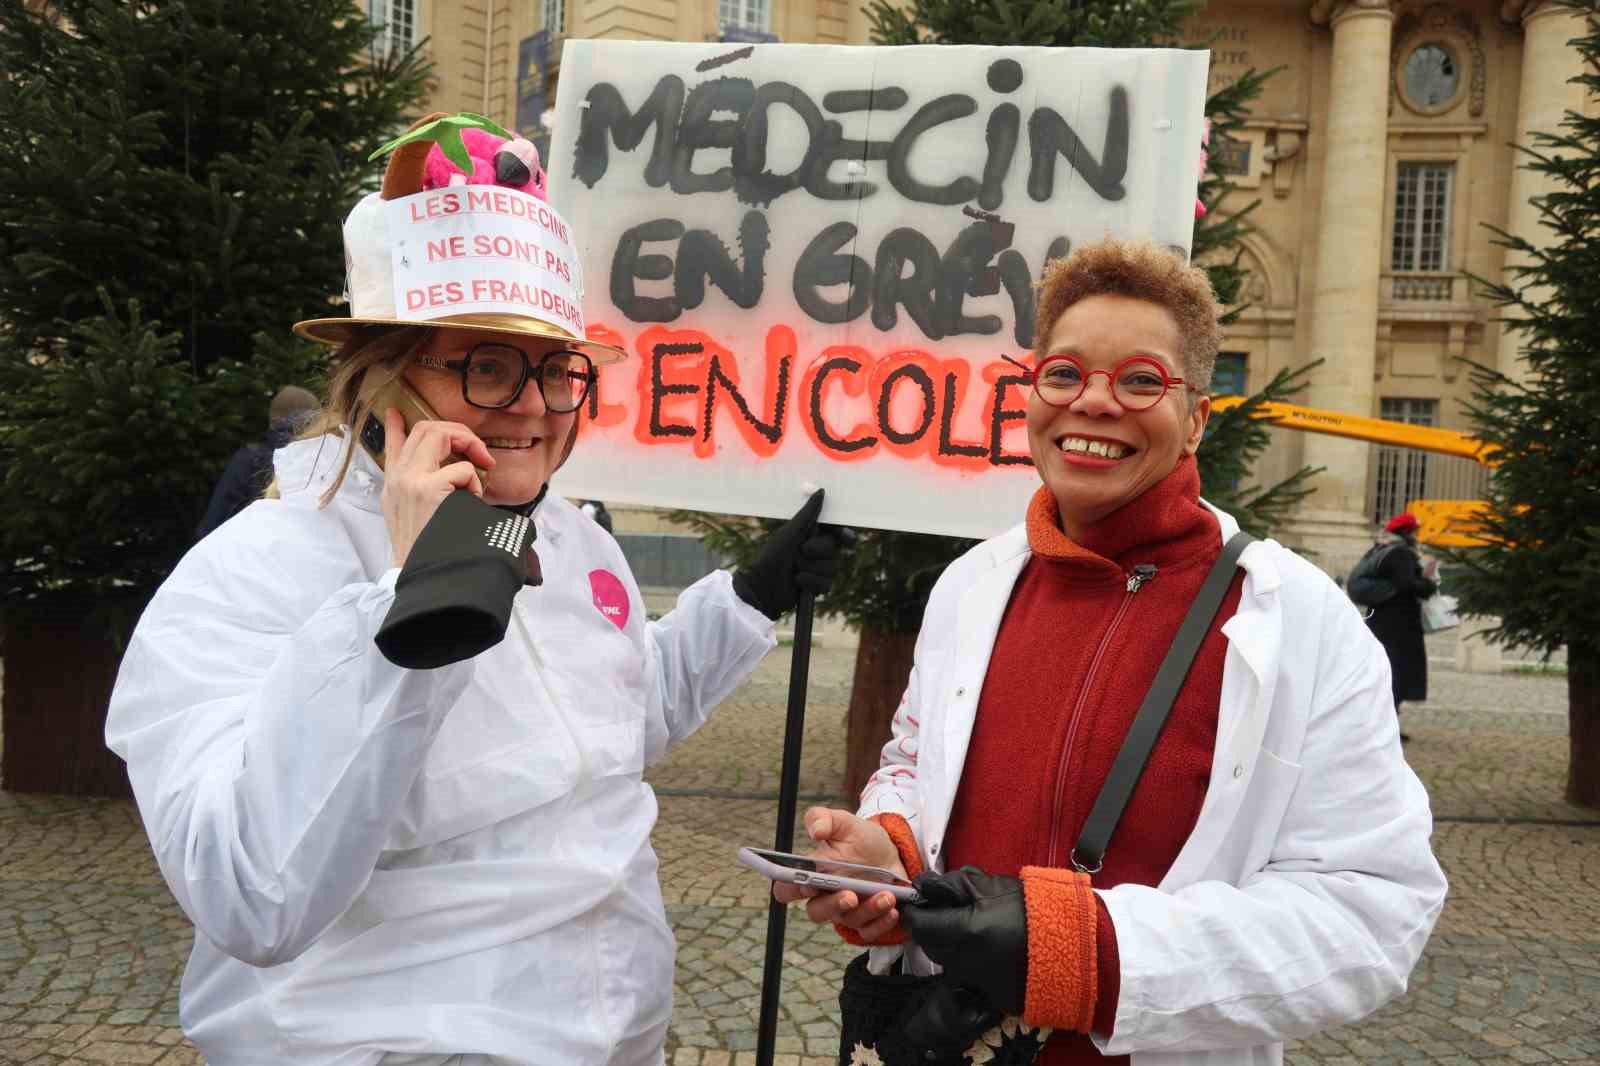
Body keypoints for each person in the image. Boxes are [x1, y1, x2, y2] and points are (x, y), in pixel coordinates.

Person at [105, 113, 839, 1065]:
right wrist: (410, 611)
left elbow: (607, 728)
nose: (532, 405)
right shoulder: (250, 571)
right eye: (487, 367)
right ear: (383, 376)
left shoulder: (574, 539)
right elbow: (251, 895)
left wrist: (744, 602)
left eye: (557, 370)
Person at [775, 239, 1446, 1065]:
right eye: (1064, 374)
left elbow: (1371, 912)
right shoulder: (970, 586)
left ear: (1196, 417)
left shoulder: (1305, 621)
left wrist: (1088, 954)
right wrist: (889, 852)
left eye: (1140, 380)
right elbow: (915, 764)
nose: (1093, 402)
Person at [193, 384, 318, 539]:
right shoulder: (323, 459)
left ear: (273, 419)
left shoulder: (249, 458)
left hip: (245, 547)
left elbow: (214, 521)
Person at [1365, 512, 1439, 741]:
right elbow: (1407, 584)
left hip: (1382, 619)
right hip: (1397, 624)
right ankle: (1385, 728)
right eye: (1415, 530)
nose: (1417, 535)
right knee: (1395, 672)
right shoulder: (1400, 553)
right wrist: (1428, 584)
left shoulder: (1381, 548)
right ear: (1407, 532)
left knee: (1388, 671)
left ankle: (1385, 725)